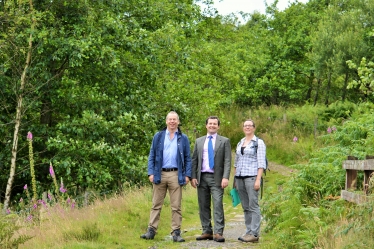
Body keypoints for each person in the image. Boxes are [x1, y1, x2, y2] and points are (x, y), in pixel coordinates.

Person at [140, 111, 192, 242]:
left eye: (175, 119)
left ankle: (176, 232)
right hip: (160, 173)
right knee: (156, 204)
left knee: (176, 206)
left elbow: (188, 158)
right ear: (166, 121)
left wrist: (187, 175)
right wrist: (150, 173)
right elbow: (151, 155)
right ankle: (151, 230)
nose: (172, 122)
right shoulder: (158, 136)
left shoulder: (183, 138)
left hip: (176, 174)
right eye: (170, 119)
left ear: (178, 122)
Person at [191, 116, 231, 243]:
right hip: (201, 177)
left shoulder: (224, 141)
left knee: (217, 204)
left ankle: (218, 232)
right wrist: (193, 176)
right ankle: (207, 231)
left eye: (215, 124)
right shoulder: (199, 141)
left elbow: (227, 161)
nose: (212, 125)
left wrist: (225, 177)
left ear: (218, 126)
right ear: (206, 125)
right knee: (203, 205)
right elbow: (194, 160)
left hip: (217, 178)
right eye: (210, 123)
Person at [234, 119, 266, 243]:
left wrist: (258, 179)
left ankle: (255, 233)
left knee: (253, 206)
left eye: (250, 126)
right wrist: (235, 178)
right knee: (245, 206)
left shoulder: (259, 143)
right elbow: (236, 161)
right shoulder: (240, 142)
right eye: (245, 126)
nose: (247, 127)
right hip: (240, 177)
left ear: (254, 128)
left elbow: (261, 163)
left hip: (252, 177)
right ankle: (248, 231)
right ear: (243, 128)